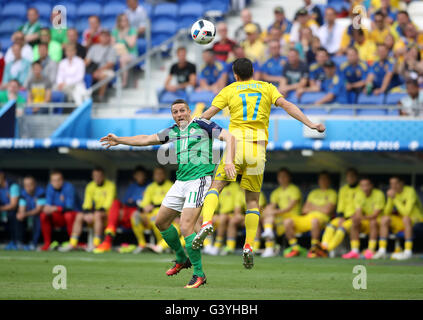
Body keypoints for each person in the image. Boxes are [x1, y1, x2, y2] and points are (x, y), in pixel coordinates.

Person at [193, 57, 325, 269]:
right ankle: (249, 245)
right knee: (252, 201)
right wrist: (311, 124)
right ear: (253, 71)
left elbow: (207, 116)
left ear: (235, 75)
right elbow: (288, 105)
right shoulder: (267, 88)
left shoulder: (229, 90)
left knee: (215, 186)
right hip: (258, 150)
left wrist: (193, 124)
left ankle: (207, 222)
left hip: (235, 146)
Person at [100, 98, 236, 288]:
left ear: (189, 111)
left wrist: (228, 161)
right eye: (175, 112)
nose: (179, 114)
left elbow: (230, 137)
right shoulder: (173, 131)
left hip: (199, 180)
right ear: (172, 115)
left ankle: (199, 274)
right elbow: (146, 139)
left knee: (186, 227)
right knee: (161, 222)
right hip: (180, 182)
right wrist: (119, 140)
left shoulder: (202, 125)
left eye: (182, 110)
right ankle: (181, 258)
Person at [60, 167, 116, 251]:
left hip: (108, 214)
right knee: (79, 215)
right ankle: (73, 243)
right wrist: (87, 213)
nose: (97, 178)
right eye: (95, 176)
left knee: (97, 215)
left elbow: (109, 202)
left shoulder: (110, 186)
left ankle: (96, 243)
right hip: (95, 213)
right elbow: (87, 202)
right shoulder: (90, 186)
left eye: (99, 176)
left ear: (103, 176)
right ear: (92, 177)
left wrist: (95, 212)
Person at [94, 166, 148, 253]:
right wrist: (135, 202)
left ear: (145, 176)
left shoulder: (149, 186)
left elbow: (145, 204)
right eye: (138, 175)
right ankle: (107, 235)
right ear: (135, 176)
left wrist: (135, 202)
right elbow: (126, 201)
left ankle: (108, 239)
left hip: (138, 213)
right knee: (115, 203)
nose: (140, 177)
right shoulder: (132, 186)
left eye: (142, 175)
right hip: (127, 212)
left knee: (123, 213)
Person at [283, 171, 337, 258]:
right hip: (307, 218)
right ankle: (295, 248)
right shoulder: (313, 193)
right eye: (321, 179)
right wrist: (321, 207)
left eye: (325, 179)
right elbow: (304, 209)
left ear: (329, 181)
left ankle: (314, 248)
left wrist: (313, 207)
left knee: (314, 221)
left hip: (321, 219)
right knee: (287, 221)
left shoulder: (332, 193)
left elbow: (328, 210)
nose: (322, 181)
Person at [373, 176, 423, 260]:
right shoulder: (392, 194)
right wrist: (390, 198)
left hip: (417, 220)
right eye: (391, 184)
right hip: (402, 221)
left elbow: (407, 212)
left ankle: (408, 252)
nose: (393, 186)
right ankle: (382, 250)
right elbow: (387, 212)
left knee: (406, 218)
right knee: (385, 218)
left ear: (401, 183)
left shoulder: (410, 191)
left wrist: (394, 198)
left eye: (395, 183)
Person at [127, 166, 174, 254]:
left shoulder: (170, 185)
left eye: (160, 174)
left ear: (164, 175)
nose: (158, 176)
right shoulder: (151, 187)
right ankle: (142, 244)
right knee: (135, 216)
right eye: (156, 174)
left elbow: (171, 202)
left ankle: (161, 245)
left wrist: (154, 205)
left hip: (164, 213)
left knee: (155, 219)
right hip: (150, 214)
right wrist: (144, 208)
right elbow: (144, 202)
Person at [261, 168, 302, 258]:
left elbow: (289, 208)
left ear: (289, 177)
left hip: (293, 217)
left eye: (284, 176)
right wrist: (267, 211)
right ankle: (269, 248)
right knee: (267, 218)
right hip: (281, 218)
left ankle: (270, 245)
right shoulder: (276, 192)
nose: (282, 178)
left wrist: (273, 212)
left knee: (270, 217)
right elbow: (272, 205)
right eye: (280, 177)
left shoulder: (294, 189)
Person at [341, 176, 385, 260]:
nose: (365, 188)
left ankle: (371, 250)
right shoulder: (359, 194)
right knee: (354, 222)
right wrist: (359, 217)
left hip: (378, 221)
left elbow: (375, 214)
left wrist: (362, 216)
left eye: (367, 185)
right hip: (365, 220)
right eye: (362, 185)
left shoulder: (379, 194)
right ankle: (354, 250)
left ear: (371, 185)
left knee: (373, 222)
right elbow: (358, 213)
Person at [321, 168, 361, 255]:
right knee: (330, 225)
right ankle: (323, 245)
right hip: (344, 217)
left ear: (356, 177)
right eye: (348, 176)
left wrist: (353, 216)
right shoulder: (343, 189)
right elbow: (340, 206)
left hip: (354, 218)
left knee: (341, 229)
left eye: (352, 176)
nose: (350, 178)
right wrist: (341, 217)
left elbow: (361, 206)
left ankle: (327, 249)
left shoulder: (361, 189)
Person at [40, 170, 78, 251]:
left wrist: (56, 208)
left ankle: (73, 243)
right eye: (54, 180)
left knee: (68, 215)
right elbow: (48, 205)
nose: (56, 182)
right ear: (51, 181)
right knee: (43, 215)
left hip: (72, 216)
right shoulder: (49, 187)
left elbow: (69, 208)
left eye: (58, 180)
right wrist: (47, 208)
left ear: (62, 180)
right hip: (58, 216)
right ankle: (47, 243)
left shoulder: (69, 187)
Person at [203, 182, 243, 255]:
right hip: (220, 213)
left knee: (223, 218)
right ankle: (207, 245)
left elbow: (238, 203)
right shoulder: (218, 185)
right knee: (202, 219)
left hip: (231, 214)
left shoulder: (235, 186)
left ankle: (217, 245)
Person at [85, 30, 118, 102]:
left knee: (104, 76)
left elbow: (110, 64)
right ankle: (86, 97)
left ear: (109, 38)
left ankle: (100, 97)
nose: (104, 38)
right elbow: (87, 61)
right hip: (93, 69)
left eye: (106, 36)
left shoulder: (112, 49)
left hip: (106, 70)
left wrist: (99, 71)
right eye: (102, 36)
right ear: (99, 37)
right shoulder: (93, 47)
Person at [16, 176, 45, 250]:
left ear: (35, 184)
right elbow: (22, 208)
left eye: (30, 184)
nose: (28, 187)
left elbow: (38, 210)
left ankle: (34, 242)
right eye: (26, 185)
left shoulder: (41, 192)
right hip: (28, 214)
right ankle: (20, 242)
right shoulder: (23, 193)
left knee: (38, 217)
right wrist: (21, 214)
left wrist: (25, 214)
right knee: (17, 216)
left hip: (38, 215)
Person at [112, 14, 138, 88]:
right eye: (122, 21)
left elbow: (131, 44)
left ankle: (123, 82)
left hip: (131, 54)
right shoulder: (115, 31)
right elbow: (112, 44)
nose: (124, 22)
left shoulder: (132, 30)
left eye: (126, 20)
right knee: (116, 58)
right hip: (118, 53)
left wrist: (124, 35)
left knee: (122, 59)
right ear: (119, 22)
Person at [0, 171, 20, 250]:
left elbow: (13, 205)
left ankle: (16, 242)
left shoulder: (13, 186)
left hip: (16, 211)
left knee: (12, 214)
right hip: (4, 210)